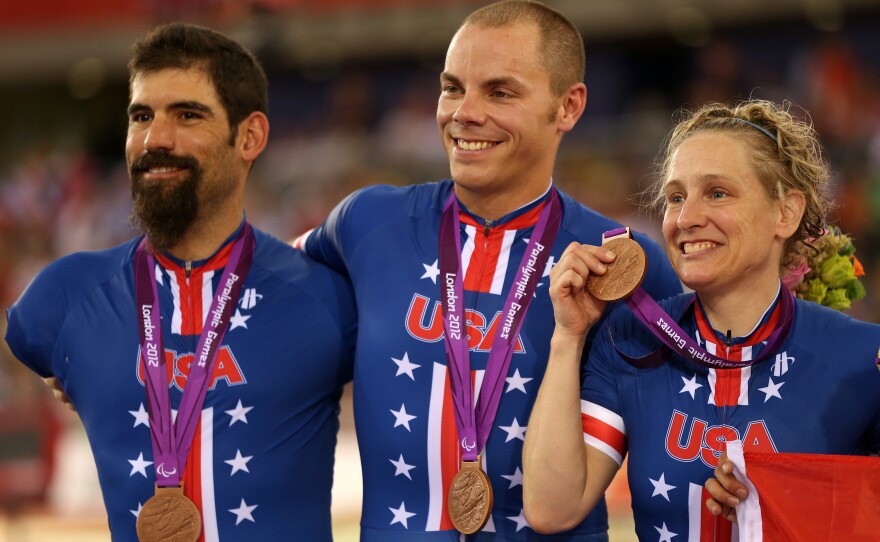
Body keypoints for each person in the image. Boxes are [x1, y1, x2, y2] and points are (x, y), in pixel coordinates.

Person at [295, 1, 682, 539]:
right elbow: (267, 291)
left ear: (568, 107)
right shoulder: (366, 222)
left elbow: (701, 423)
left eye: (499, 92)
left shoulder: (620, 265)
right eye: (452, 87)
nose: (464, 112)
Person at [4, 23, 356, 541]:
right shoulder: (62, 299)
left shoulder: (327, 299)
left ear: (250, 136)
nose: (156, 139)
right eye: (141, 116)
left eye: (187, 115)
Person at [522, 98, 880, 540]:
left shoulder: (863, 358)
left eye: (717, 193)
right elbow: (551, 509)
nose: (686, 218)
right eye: (676, 197)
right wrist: (568, 336)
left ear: (786, 212)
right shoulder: (630, 339)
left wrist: (786, 502)